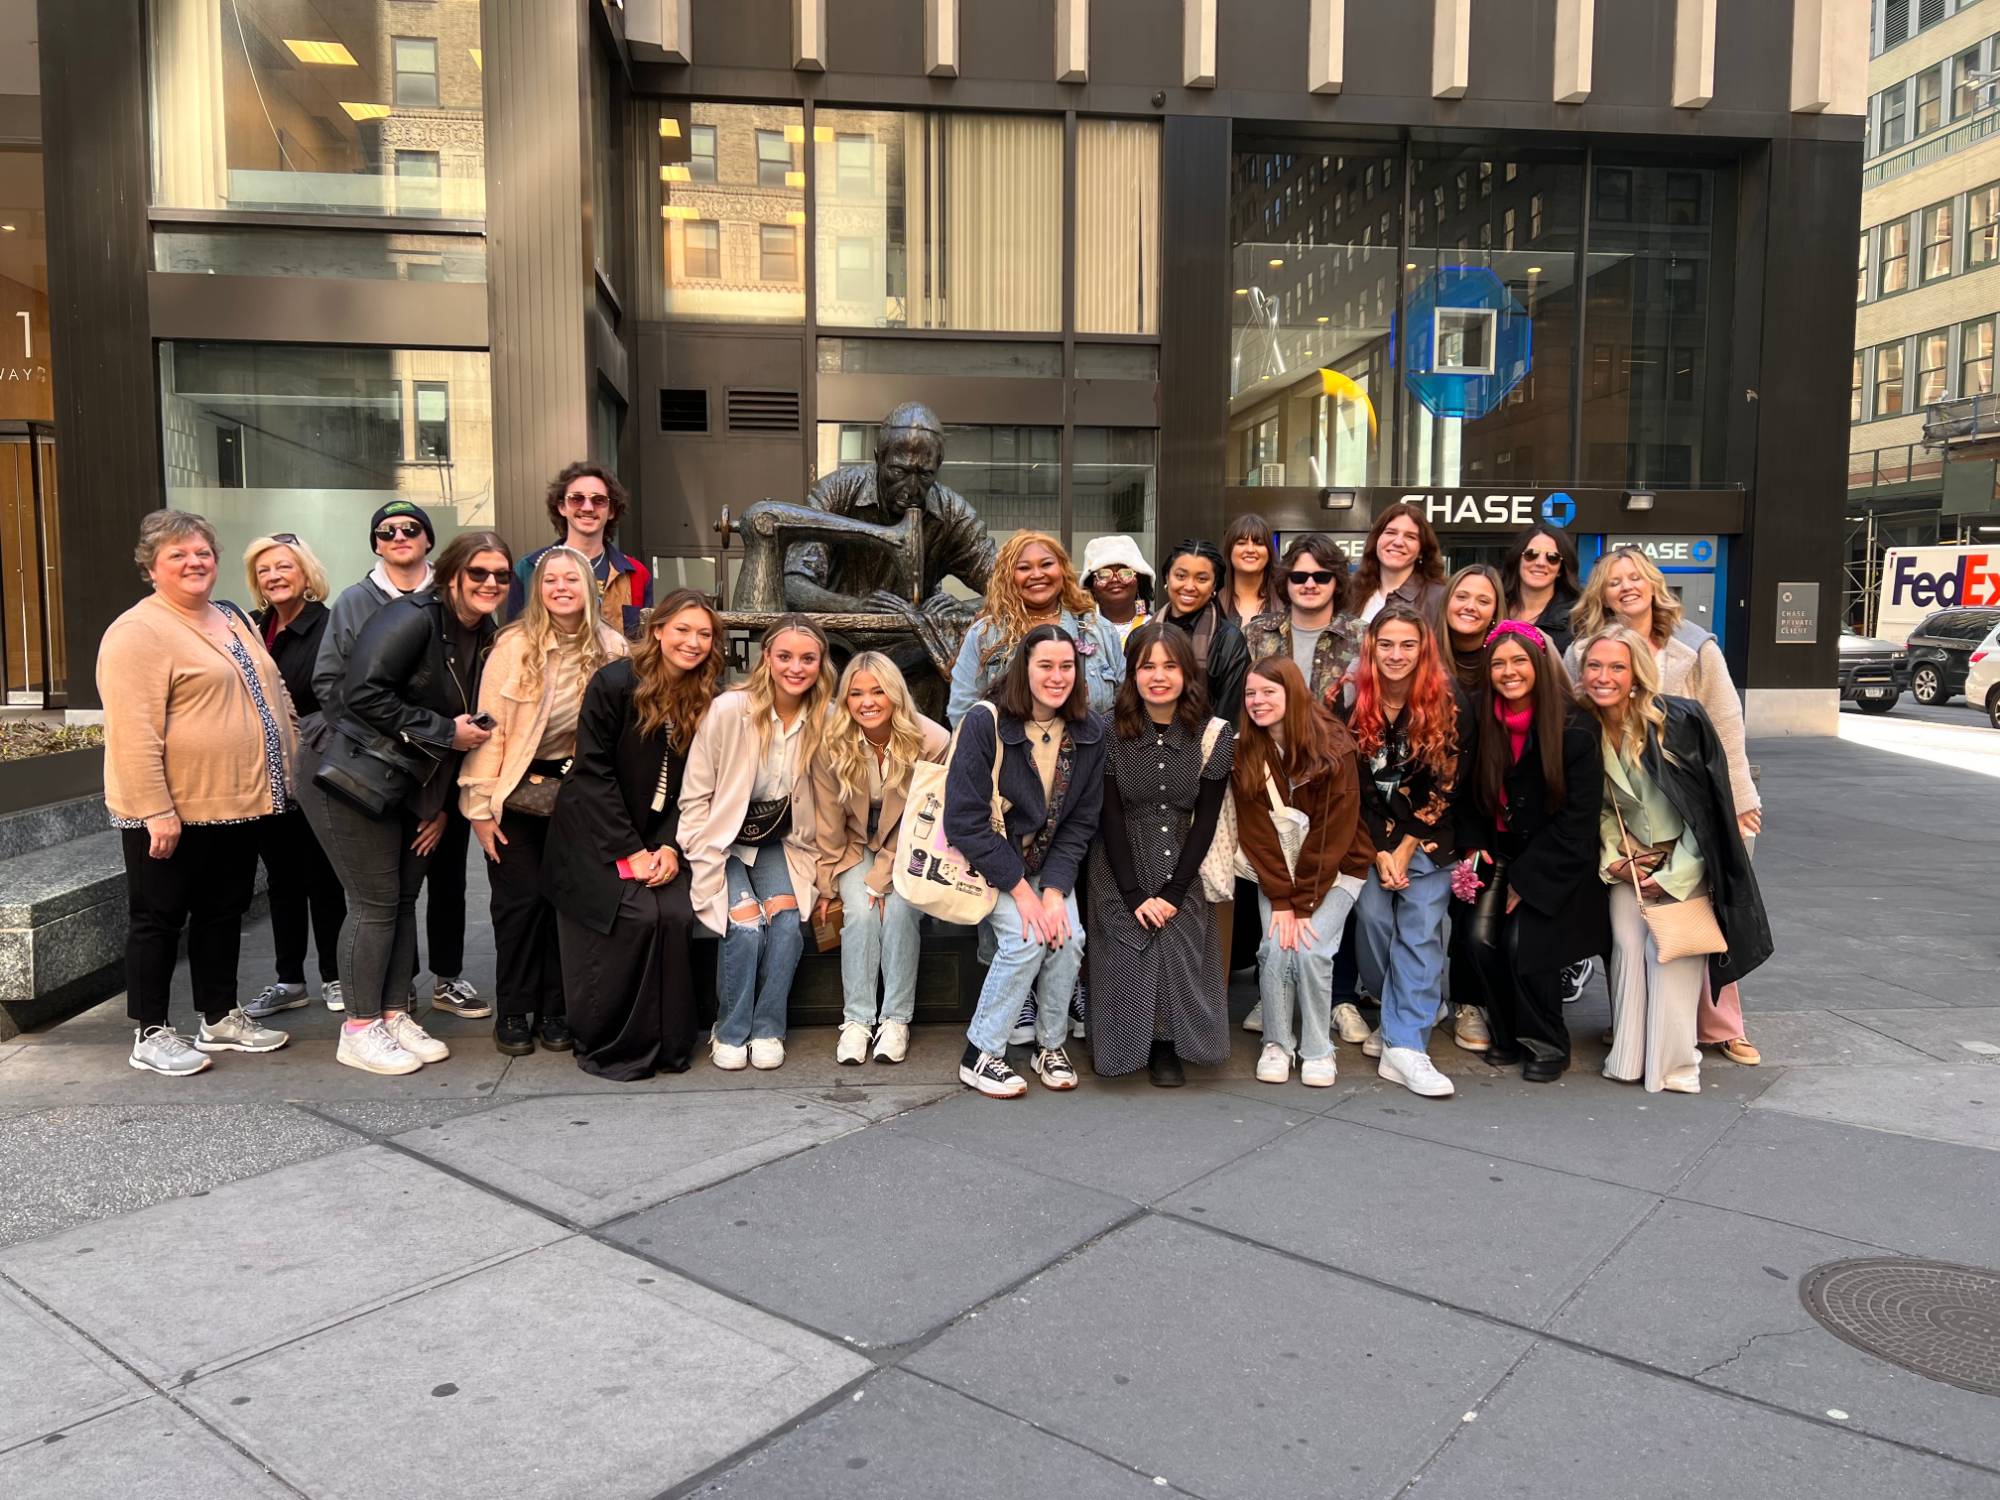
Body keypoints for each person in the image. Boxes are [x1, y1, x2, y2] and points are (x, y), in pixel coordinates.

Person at [298, 531, 510, 1076]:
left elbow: (472, 727)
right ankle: (360, 1027)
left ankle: (393, 1013)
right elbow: (359, 694)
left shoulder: (484, 634)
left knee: (400, 900)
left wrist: (438, 808)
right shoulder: (413, 616)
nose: (490, 583)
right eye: (479, 573)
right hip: (351, 778)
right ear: (453, 575)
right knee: (373, 903)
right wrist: (442, 729)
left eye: (501, 575)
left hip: (414, 787)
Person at [100, 510, 295, 1076]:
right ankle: (151, 1031)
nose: (194, 563)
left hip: (236, 804)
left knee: (221, 912)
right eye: (177, 555)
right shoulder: (139, 632)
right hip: (171, 812)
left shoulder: (233, 617)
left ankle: (219, 1016)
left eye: (202, 552)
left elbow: (273, 688)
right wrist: (155, 810)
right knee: (157, 918)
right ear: (151, 567)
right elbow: (133, 733)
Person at [1569, 546, 1764, 1065]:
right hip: (1632, 810)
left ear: (1654, 584)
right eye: (1614, 581)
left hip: (1694, 802)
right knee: (1634, 931)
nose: (1626, 587)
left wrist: (1740, 801)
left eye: (1635, 577)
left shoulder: (1693, 647)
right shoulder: (1586, 650)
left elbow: (1725, 726)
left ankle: (1721, 1025)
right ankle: (1640, 1025)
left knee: (1703, 917)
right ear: (1602, 594)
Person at [542, 591, 720, 1080]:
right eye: (683, 629)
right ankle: (615, 1042)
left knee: (678, 911)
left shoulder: (706, 694)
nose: (693, 642)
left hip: (660, 837)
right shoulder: (615, 682)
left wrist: (667, 846)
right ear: (658, 629)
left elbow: (694, 783)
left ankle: (668, 1044)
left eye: (704, 633)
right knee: (637, 915)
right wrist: (631, 851)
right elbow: (591, 773)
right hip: (594, 834)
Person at [462, 547, 629, 1056]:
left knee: (566, 905)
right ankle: (514, 1009)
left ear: (589, 588)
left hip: (580, 799)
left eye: (571, 579)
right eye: (550, 579)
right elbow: (489, 732)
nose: (560, 587)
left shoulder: (614, 648)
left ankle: (558, 1009)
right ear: (537, 590)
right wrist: (480, 809)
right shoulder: (511, 647)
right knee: (519, 904)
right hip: (517, 793)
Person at [945, 624, 1107, 1098]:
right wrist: (1022, 893)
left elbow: (1080, 823)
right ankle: (981, 1052)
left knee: (1068, 936)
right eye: (1045, 666)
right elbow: (965, 821)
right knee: (1023, 940)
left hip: (1048, 863)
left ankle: (1049, 1044)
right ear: (1024, 668)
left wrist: (1054, 892)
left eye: (1066, 667)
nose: (1057, 677)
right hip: (991, 861)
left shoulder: (1089, 731)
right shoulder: (986, 721)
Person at [679, 615, 833, 1071]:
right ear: (767, 657)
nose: (796, 668)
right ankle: (729, 1029)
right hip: (722, 840)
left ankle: (769, 1026)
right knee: (745, 926)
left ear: (821, 663)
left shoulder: (825, 717)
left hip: (780, 843)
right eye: (784, 656)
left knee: (786, 923)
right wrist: (699, 855)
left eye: (808, 658)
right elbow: (695, 795)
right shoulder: (730, 709)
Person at [1086, 622, 1236, 1087]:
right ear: (1131, 674)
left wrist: (1173, 889)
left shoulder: (1215, 734)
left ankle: (1170, 1043)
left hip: (1185, 857)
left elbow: (1207, 818)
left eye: (1170, 665)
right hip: (1119, 857)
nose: (1158, 675)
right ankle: (1133, 1043)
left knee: (1177, 944)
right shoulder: (1109, 731)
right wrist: (1133, 894)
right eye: (1146, 666)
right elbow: (1109, 817)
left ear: (1187, 673)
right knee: (1131, 944)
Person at [1464, 622, 1608, 1083]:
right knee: (1480, 939)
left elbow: (1578, 821)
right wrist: (1472, 850)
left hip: (1556, 859)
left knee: (1523, 940)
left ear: (1538, 665)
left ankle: (1546, 1041)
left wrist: (1527, 883)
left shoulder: (1574, 727)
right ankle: (1506, 1035)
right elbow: (1467, 795)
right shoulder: (1480, 718)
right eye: (1499, 663)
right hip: (1499, 851)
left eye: (1519, 661)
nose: (1509, 672)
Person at [1349, 604, 1474, 1099]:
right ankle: (1404, 1003)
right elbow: (1351, 785)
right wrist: (1381, 851)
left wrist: (1404, 849)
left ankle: (1405, 1045)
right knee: (1374, 923)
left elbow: (1448, 788)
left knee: (1421, 931)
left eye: (1408, 645)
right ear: (1371, 648)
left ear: (1423, 649)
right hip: (1369, 837)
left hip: (1431, 836)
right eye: (1386, 644)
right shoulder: (1350, 699)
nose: (1396, 655)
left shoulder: (1450, 701)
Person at [786, 402, 997, 691]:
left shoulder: (952, 514)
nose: (911, 488)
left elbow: (1007, 585)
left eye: (924, 474)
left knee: (934, 673)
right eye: (899, 471)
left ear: (938, 466)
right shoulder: (835, 495)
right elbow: (795, 584)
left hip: (908, 654)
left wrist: (961, 608)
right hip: (836, 645)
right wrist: (856, 607)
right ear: (878, 458)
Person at [1235, 658, 1370, 1088]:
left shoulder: (1334, 746)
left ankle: (1317, 1048)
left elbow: (1334, 835)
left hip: (1335, 871)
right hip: (1276, 871)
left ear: (1292, 693)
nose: (1258, 702)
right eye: (1251, 694)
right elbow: (1256, 832)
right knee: (1274, 949)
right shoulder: (1247, 748)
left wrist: (1303, 904)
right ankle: (1277, 1043)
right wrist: (1281, 899)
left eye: (1269, 692)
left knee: (1311, 951)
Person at [810, 653, 950, 1065]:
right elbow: (829, 819)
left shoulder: (933, 741)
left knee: (902, 910)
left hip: (910, 843)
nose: (867, 702)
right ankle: (856, 1021)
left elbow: (925, 818)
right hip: (854, 843)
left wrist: (883, 873)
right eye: (855, 693)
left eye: (878, 691)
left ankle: (895, 1019)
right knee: (861, 912)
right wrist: (827, 882)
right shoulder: (832, 740)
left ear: (896, 694)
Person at [240, 531, 346, 1021]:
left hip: (317, 772)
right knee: (281, 880)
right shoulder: (252, 631)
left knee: (323, 879)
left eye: (284, 566)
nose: (274, 576)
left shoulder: (328, 627)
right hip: (265, 777)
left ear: (307, 574)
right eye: (264, 570)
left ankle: (335, 976)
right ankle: (289, 979)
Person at [1437, 562, 1507, 1054]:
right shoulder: (1425, 657)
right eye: (1463, 595)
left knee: (1471, 915)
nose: (1471, 606)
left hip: (1484, 808)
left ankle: (1468, 1001)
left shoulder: (1505, 660)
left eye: (1484, 600)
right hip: (1427, 805)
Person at [947, 530, 1124, 723]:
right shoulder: (985, 634)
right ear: (1008, 577)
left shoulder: (1099, 630)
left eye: (1046, 564)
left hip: (1089, 751)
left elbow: (1124, 705)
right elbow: (962, 712)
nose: (1037, 574)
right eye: (1024, 568)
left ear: (1063, 569)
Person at [508, 461, 653, 638]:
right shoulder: (529, 568)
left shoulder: (637, 574)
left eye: (598, 500)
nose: (587, 507)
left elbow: (644, 647)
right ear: (562, 507)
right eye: (577, 498)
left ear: (612, 511)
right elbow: (514, 638)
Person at [1243, 532, 1364, 707]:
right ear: (1286, 581)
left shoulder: (1363, 637)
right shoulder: (1254, 634)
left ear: (1337, 582)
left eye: (1321, 577)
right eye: (1299, 577)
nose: (1309, 585)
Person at [1156, 538, 1251, 725]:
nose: (1189, 586)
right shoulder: (1142, 635)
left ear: (1214, 587)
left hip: (1208, 748)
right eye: (1181, 576)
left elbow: (1230, 718)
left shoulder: (1228, 640)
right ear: (1167, 577)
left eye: (1202, 579)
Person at [1350, 501, 1448, 625]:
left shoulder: (1439, 598)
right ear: (1376, 540)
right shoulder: (1349, 591)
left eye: (1410, 537)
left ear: (1421, 550)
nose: (1398, 542)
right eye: (1390, 532)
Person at [1501, 524, 1583, 658]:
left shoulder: (1579, 617)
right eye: (1531, 554)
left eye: (1552, 557)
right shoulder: (1493, 606)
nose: (1541, 563)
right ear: (1518, 560)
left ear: (1560, 569)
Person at [1441, 564, 1506, 694]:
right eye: (1461, 597)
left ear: (1495, 611)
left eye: (1483, 601)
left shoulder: (1507, 658)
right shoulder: (1423, 652)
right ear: (1446, 602)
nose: (1470, 607)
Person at [1079, 534, 1153, 646]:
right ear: (1091, 585)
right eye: (1103, 574)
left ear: (1140, 581)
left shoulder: (1155, 626)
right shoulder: (1079, 630)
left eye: (1125, 573)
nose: (1115, 579)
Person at [1220, 513, 1284, 630]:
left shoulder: (1286, 600)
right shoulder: (1213, 602)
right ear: (1229, 551)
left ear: (1269, 552)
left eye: (1258, 543)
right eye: (1241, 543)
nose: (1250, 549)